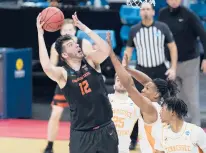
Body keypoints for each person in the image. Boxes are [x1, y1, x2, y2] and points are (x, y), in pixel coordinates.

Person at [37, 13, 118, 153]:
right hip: (82, 134)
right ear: (64, 55)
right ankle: (49, 145)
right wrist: (40, 34)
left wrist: (85, 28)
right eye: (70, 45)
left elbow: (106, 50)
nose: (75, 45)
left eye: (74, 43)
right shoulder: (63, 74)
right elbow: (47, 67)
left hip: (106, 129)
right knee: (56, 113)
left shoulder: (91, 61)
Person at [107, 32, 178, 153]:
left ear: (156, 94)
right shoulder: (157, 103)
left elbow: (129, 85)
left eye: (146, 89)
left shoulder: (149, 107)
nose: (142, 89)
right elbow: (147, 81)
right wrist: (128, 69)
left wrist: (112, 55)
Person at [122, 2, 178, 150]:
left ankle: (170, 135)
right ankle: (133, 139)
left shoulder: (162, 27)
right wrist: (124, 68)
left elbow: (173, 47)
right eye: (143, 9)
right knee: (137, 106)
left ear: (153, 12)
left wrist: (173, 68)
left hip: (160, 70)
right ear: (140, 12)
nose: (145, 11)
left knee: (167, 105)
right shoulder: (134, 30)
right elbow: (128, 51)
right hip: (142, 69)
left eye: (148, 9)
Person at [44, 19, 93, 153]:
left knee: (86, 117)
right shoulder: (56, 46)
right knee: (55, 113)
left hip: (83, 83)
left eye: (70, 30)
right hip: (65, 83)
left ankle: (89, 145)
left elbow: (93, 65)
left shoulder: (84, 44)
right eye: (65, 30)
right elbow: (52, 67)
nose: (67, 32)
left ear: (75, 31)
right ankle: (49, 145)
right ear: (60, 32)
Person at [158, 0, 206, 126]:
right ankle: (181, 129)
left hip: (189, 62)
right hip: (171, 64)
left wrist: (205, 58)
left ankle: (197, 129)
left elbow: (203, 36)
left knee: (192, 97)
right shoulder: (162, 14)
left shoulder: (189, 15)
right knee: (178, 98)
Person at [109, 74, 140, 153]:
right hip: (103, 148)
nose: (121, 83)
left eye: (124, 81)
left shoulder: (136, 105)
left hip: (123, 149)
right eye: (118, 80)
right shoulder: (106, 100)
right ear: (114, 84)